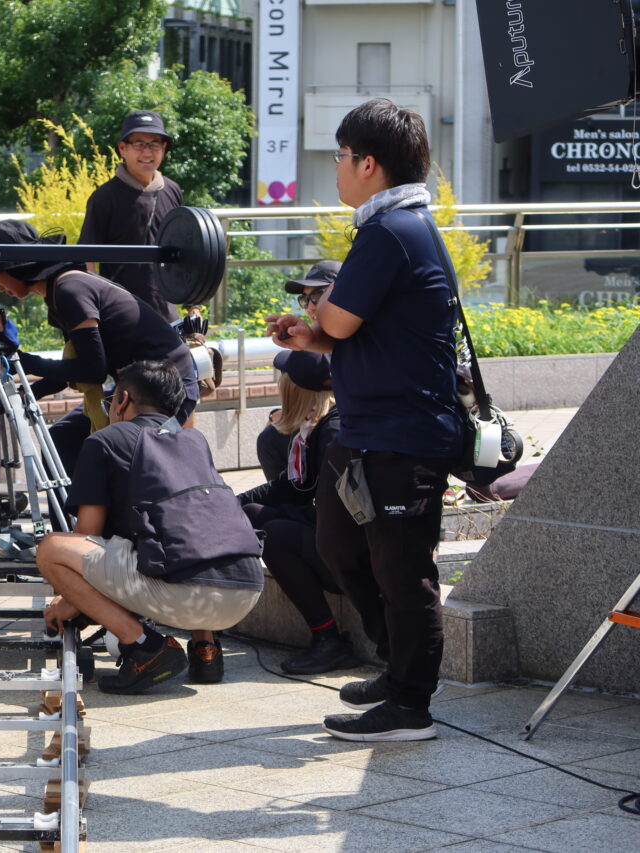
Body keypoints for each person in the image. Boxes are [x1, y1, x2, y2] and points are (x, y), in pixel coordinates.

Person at [268, 98, 465, 741]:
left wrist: (319, 322)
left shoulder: (390, 231)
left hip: (402, 433)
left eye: (341, 156)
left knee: (405, 571)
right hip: (376, 429)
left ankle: (410, 705)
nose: (336, 167)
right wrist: (312, 338)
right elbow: (352, 332)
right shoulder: (395, 227)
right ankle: (396, 667)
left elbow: (339, 318)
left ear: (370, 164)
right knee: (350, 549)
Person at [37, 360, 264, 693]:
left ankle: (145, 648)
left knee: (52, 549)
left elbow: (86, 535)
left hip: (187, 598)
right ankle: (206, 650)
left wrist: (70, 598)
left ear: (122, 400)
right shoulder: (193, 440)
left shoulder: (105, 441)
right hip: (247, 590)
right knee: (187, 529)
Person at [0, 220, 199, 476]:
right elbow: (78, 368)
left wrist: (26, 362)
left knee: (124, 460)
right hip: (137, 386)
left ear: (15, 266)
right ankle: (82, 504)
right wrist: (27, 394)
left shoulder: (69, 290)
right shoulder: (59, 292)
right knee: (62, 442)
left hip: (167, 390)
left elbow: (92, 370)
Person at [238, 351, 361, 675]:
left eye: (284, 376)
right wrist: (230, 503)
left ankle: (328, 640)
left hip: (358, 560)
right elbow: (294, 486)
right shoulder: (317, 425)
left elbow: (340, 512)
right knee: (251, 513)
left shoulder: (334, 432)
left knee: (274, 535)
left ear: (297, 388)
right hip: (339, 541)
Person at [80, 110, 183, 322]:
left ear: (164, 148)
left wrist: (193, 305)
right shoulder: (105, 196)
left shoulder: (172, 190)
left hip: (166, 311)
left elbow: (186, 250)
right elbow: (87, 256)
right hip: (120, 313)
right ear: (122, 148)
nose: (147, 152)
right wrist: (94, 309)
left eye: (154, 144)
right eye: (139, 144)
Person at [257, 261, 341, 481]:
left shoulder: (365, 338)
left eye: (318, 295)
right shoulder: (321, 339)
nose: (310, 307)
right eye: (305, 299)